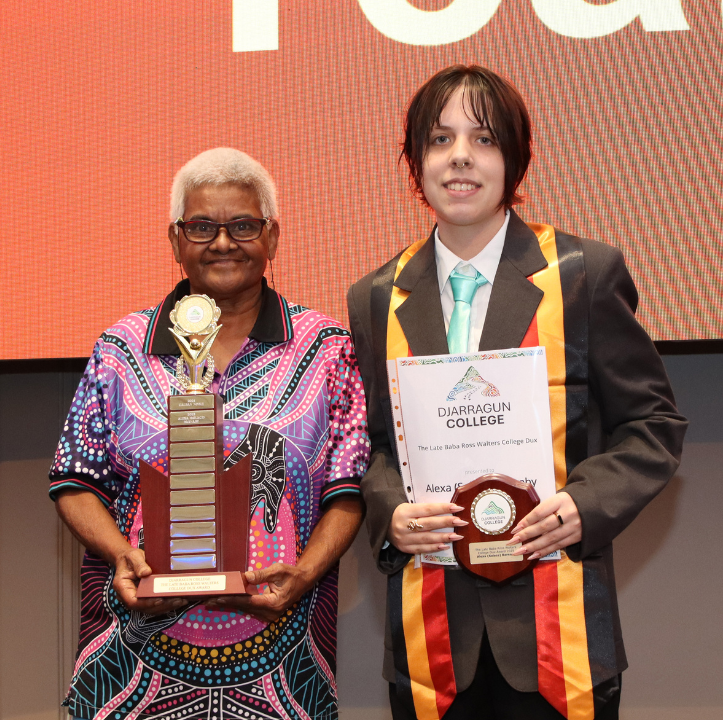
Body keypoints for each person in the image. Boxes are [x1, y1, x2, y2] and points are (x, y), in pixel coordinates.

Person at [348, 66, 688, 720]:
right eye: (440, 140)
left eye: (483, 139)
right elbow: (371, 446)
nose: (460, 158)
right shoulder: (375, 296)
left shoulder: (583, 274)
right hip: (430, 639)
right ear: (415, 162)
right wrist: (390, 511)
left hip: (557, 637)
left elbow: (653, 424)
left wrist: (583, 506)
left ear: (516, 156)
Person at [49, 147, 368, 720]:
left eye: (243, 225)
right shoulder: (121, 348)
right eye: (202, 227)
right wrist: (122, 554)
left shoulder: (326, 349)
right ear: (174, 239)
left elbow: (348, 490)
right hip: (132, 664)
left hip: (284, 669)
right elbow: (75, 481)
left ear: (272, 236)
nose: (223, 243)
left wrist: (305, 572)